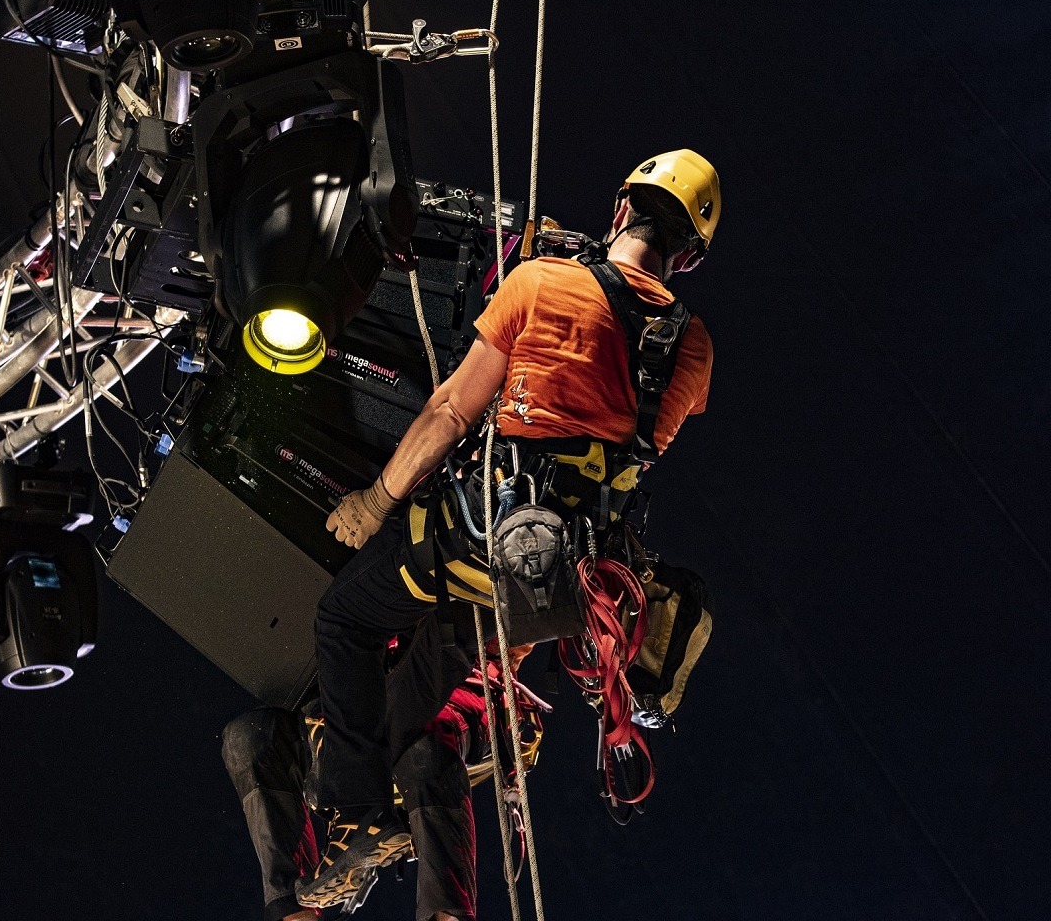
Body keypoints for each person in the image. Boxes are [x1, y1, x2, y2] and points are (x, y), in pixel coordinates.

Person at [301, 149, 721, 904]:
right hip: (562, 584)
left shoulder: (540, 282)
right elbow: (626, 445)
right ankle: (410, 820)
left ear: (621, 208)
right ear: (687, 257)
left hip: (474, 542)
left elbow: (451, 411)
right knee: (438, 681)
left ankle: (356, 814)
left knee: (346, 621)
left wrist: (373, 503)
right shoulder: (694, 349)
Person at [222, 616, 537, 920]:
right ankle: (295, 914)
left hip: (460, 682)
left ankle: (447, 915)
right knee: (250, 737)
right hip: (362, 695)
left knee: (424, 742)